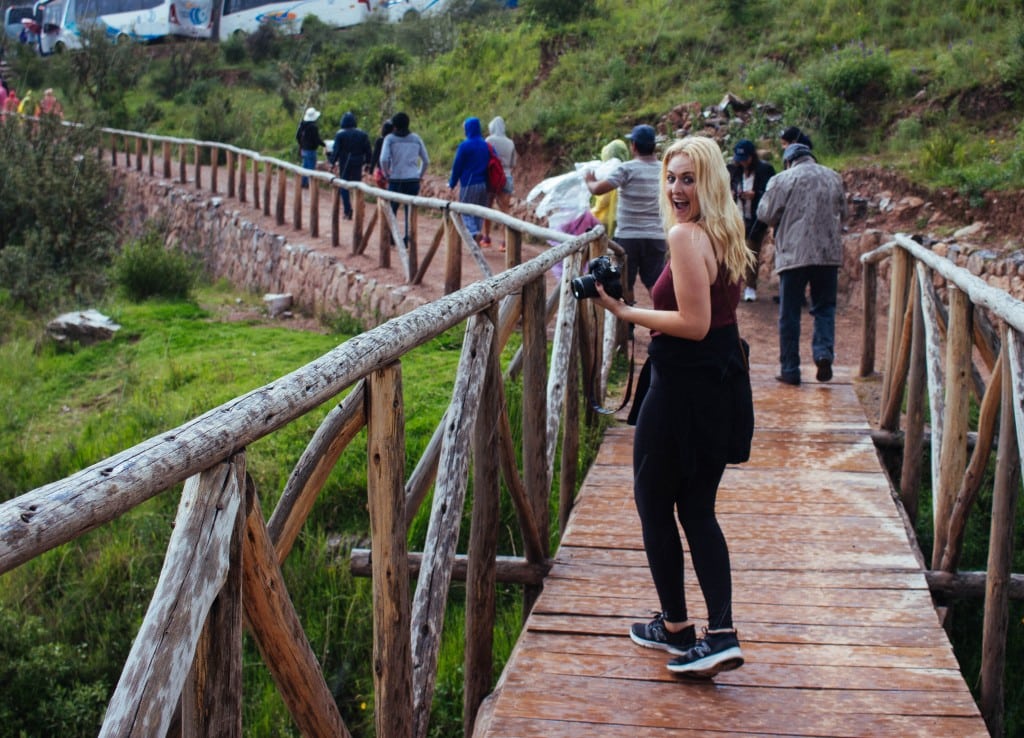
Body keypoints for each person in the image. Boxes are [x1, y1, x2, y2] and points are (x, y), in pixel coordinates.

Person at [593, 136, 753, 678]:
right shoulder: (725, 231)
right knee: (697, 507)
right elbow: (716, 320)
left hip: (683, 386)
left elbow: (694, 323)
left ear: (707, 182)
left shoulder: (686, 236)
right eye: (671, 178)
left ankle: (681, 626)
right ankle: (719, 631)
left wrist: (624, 309)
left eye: (687, 178)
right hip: (720, 383)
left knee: (653, 501)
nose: (676, 188)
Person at [756, 143, 847, 386]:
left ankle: (790, 369)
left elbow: (764, 213)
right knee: (825, 308)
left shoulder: (782, 179)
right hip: (827, 254)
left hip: (794, 255)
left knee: (790, 313)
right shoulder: (834, 177)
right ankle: (823, 353)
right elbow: (843, 211)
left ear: (788, 161)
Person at [584, 124, 666, 302]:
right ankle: (665, 320)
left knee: (624, 283)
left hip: (628, 236)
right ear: (654, 146)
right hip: (656, 235)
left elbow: (598, 190)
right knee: (655, 283)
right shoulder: (665, 170)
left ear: (634, 146)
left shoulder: (627, 169)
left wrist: (589, 181)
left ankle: (626, 327)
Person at [730, 139, 775, 302]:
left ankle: (750, 286)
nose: (742, 162)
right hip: (737, 216)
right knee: (734, 252)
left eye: (745, 159)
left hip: (756, 219)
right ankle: (734, 286)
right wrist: (735, 193)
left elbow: (771, 193)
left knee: (751, 251)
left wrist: (755, 194)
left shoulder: (765, 170)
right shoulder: (734, 169)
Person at [379, 111, 429, 243]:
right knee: (410, 210)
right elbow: (426, 160)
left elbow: (383, 159)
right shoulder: (416, 138)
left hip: (396, 179)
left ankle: (392, 237)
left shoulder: (389, 139)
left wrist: (386, 174)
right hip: (412, 179)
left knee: (392, 209)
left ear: (394, 126)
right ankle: (408, 238)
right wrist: (419, 175)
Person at [448, 116, 490, 244]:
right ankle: (476, 238)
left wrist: (452, 182)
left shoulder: (465, 146)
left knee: (465, 210)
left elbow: (457, 166)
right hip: (484, 184)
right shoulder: (485, 145)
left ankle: (474, 233)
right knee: (478, 211)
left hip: (469, 183)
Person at [482, 115, 517, 250]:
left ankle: (486, 238)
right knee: (505, 210)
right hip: (506, 177)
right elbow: (513, 163)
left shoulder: (489, 140)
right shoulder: (510, 143)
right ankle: (504, 242)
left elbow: (485, 158)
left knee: (487, 208)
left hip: (491, 177)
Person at [329, 111, 372, 220]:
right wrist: (368, 163)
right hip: (358, 162)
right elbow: (368, 150)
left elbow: (336, 150)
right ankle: (359, 209)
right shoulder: (362, 134)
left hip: (345, 162)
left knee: (344, 185)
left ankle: (348, 210)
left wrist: (332, 163)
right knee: (357, 185)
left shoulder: (340, 134)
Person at [589, 138, 629, 236]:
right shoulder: (625, 170)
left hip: (604, 218)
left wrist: (593, 211)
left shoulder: (610, 172)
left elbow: (604, 200)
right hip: (620, 217)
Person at [295, 107, 325, 188]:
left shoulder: (302, 125)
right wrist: (324, 144)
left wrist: (301, 145)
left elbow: (297, 136)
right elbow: (316, 139)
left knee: (305, 166)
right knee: (311, 167)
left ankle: (303, 182)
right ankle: (310, 184)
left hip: (304, 149)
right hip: (311, 150)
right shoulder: (313, 127)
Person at [370, 118, 394, 186]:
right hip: (393, 171)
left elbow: (375, 155)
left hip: (381, 170)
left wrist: (371, 170)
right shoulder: (395, 141)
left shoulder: (379, 141)